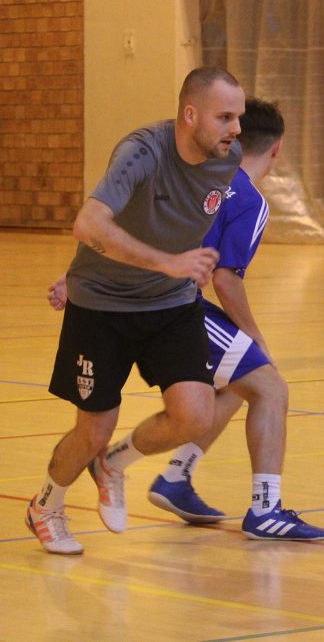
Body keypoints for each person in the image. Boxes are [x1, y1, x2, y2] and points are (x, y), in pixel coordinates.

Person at [48, 98, 324, 541]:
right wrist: (254, 334)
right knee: (269, 386)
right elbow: (225, 278)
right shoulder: (247, 199)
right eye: (223, 117)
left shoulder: (209, 174)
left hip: (166, 298)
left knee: (242, 386)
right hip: (170, 304)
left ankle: (176, 477)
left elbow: (140, 222)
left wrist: (72, 271)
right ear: (276, 151)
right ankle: (263, 508)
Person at [26, 67, 246, 555]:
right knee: (93, 429)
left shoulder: (226, 161)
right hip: (102, 305)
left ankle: (113, 466)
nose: (235, 128)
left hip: (170, 302)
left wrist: (174, 267)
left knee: (195, 415)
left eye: (240, 117)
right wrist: (161, 262)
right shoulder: (142, 152)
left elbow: (173, 218)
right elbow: (90, 222)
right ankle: (46, 505)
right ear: (191, 115)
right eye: (225, 116)